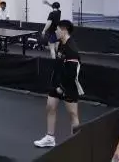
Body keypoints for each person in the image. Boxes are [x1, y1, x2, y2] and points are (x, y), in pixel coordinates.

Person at [35, 20, 84, 148]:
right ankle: (50, 138)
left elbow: (72, 73)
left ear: (64, 30)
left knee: (73, 114)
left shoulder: (72, 49)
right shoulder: (61, 43)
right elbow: (57, 61)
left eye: (57, 30)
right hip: (57, 81)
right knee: (50, 107)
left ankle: (77, 144)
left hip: (68, 85)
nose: (55, 32)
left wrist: (62, 88)